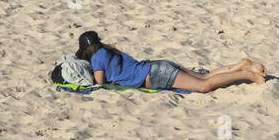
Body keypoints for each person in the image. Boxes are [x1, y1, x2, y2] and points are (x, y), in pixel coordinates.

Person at [72, 31, 266, 94]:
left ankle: (247, 74)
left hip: (156, 75)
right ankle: (240, 64)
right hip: (157, 66)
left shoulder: (97, 58)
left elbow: (98, 82)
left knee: (204, 86)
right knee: (204, 76)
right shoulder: (109, 50)